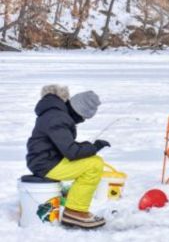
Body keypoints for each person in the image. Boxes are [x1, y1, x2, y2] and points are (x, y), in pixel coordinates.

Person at [26, 85, 110, 229]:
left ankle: (73, 202)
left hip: (46, 159)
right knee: (94, 164)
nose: (81, 121)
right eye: (83, 118)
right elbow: (72, 152)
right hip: (45, 164)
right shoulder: (58, 118)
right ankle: (75, 212)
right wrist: (94, 147)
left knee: (92, 161)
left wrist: (89, 147)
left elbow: (65, 146)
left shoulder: (55, 113)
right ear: (78, 111)